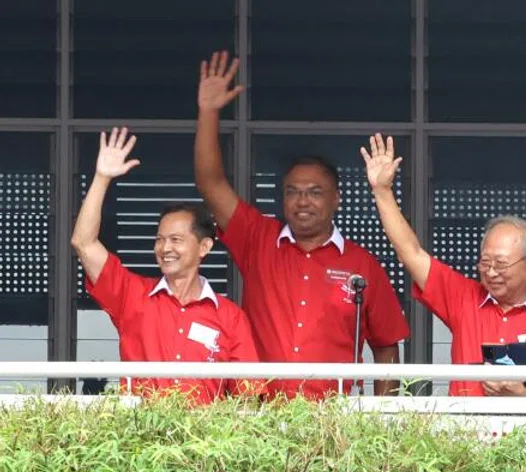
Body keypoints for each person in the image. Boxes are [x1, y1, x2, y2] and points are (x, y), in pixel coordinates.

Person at [193, 51, 409, 399]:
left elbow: (386, 349)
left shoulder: (362, 265)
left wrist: (379, 424)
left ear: (336, 199)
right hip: (258, 414)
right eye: (292, 192)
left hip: (332, 423)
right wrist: (208, 112)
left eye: (314, 192)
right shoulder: (258, 238)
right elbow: (211, 184)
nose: (302, 201)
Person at [72, 127, 261, 404]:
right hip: (139, 438)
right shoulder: (132, 295)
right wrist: (102, 178)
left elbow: (249, 397)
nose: (165, 248)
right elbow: (83, 243)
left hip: (205, 443)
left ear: (204, 247)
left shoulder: (230, 317)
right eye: (160, 240)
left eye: (176, 240)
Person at [362, 134, 526, 397]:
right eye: (485, 262)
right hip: (463, 433)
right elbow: (411, 254)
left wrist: (525, 395)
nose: (490, 272)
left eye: (501, 264)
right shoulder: (465, 298)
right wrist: (382, 191)